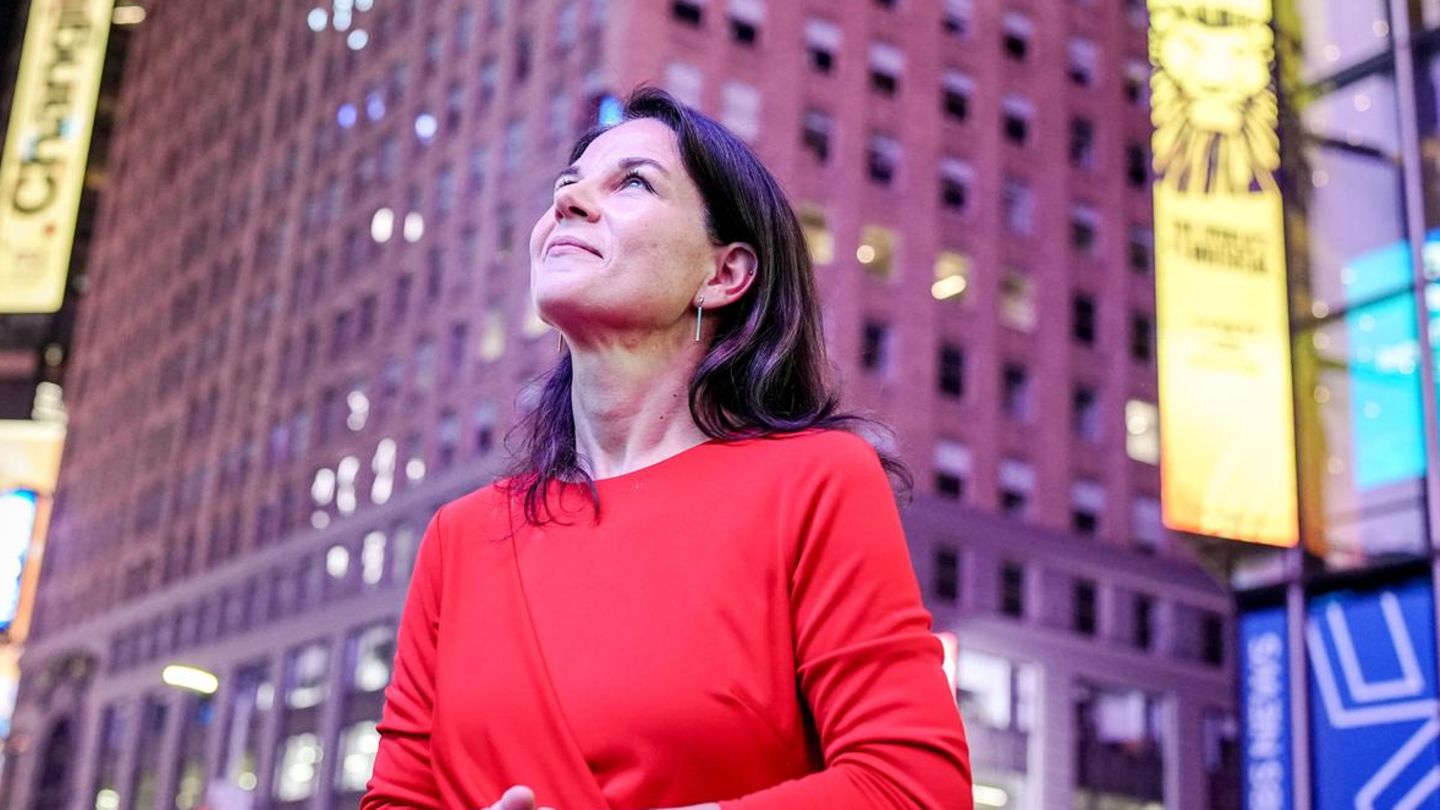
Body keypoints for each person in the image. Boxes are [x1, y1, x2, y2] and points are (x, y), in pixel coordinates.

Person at [361, 86, 972, 810]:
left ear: (724, 275)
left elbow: (914, 788)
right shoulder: (458, 538)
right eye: (566, 187)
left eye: (632, 183)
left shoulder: (816, 481)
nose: (571, 203)